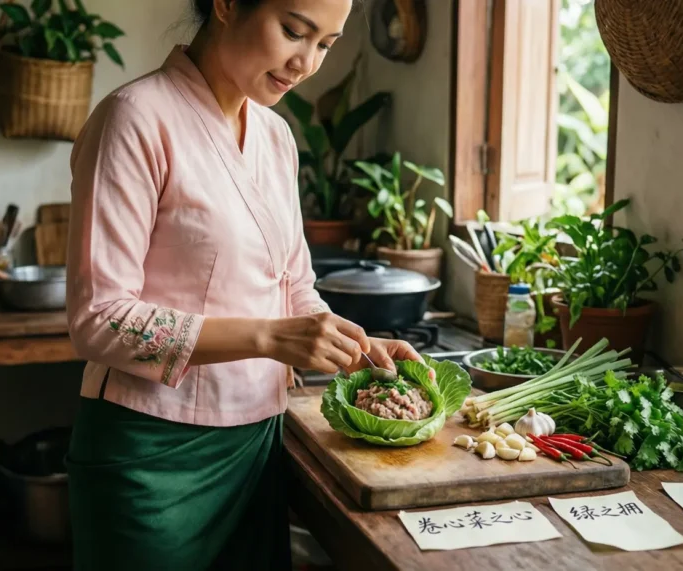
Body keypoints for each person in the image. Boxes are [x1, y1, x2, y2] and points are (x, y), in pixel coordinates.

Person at [63, 0, 427, 569]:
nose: (306, 63)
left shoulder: (276, 136)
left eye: (325, 45)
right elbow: (97, 320)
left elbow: (294, 284)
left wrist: (350, 345)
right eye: (293, 31)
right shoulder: (134, 117)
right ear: (227, 5)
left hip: (257, 445)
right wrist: (267, 338)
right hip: (150, 455)